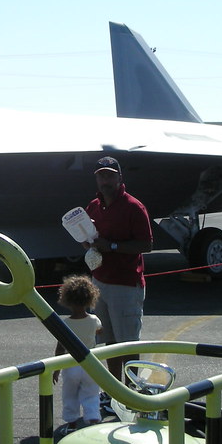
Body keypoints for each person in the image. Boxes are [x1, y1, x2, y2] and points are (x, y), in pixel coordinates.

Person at [81, 156, 153, 380]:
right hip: (100, 281)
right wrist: (87, 242)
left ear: (120, 178)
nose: (105, 181)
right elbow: (87, 237)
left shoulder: (134, 207)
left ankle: (131, 393)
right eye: (101, 176)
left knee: (128, 342)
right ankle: (113, 391)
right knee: (107, 342)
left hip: (126, 284)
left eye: (110, 175)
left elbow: (146, 245)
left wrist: (112, 246)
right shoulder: (93, 206)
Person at [52, 275, 103, 430]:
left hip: (70, 364)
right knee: (91, 394)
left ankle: (72, 423)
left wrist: (56, 369)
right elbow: (100, 332)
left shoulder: (65, 323)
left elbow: (60, 347)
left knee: (70, 395)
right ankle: (93, 420)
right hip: (91, 363)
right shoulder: (94, 320)